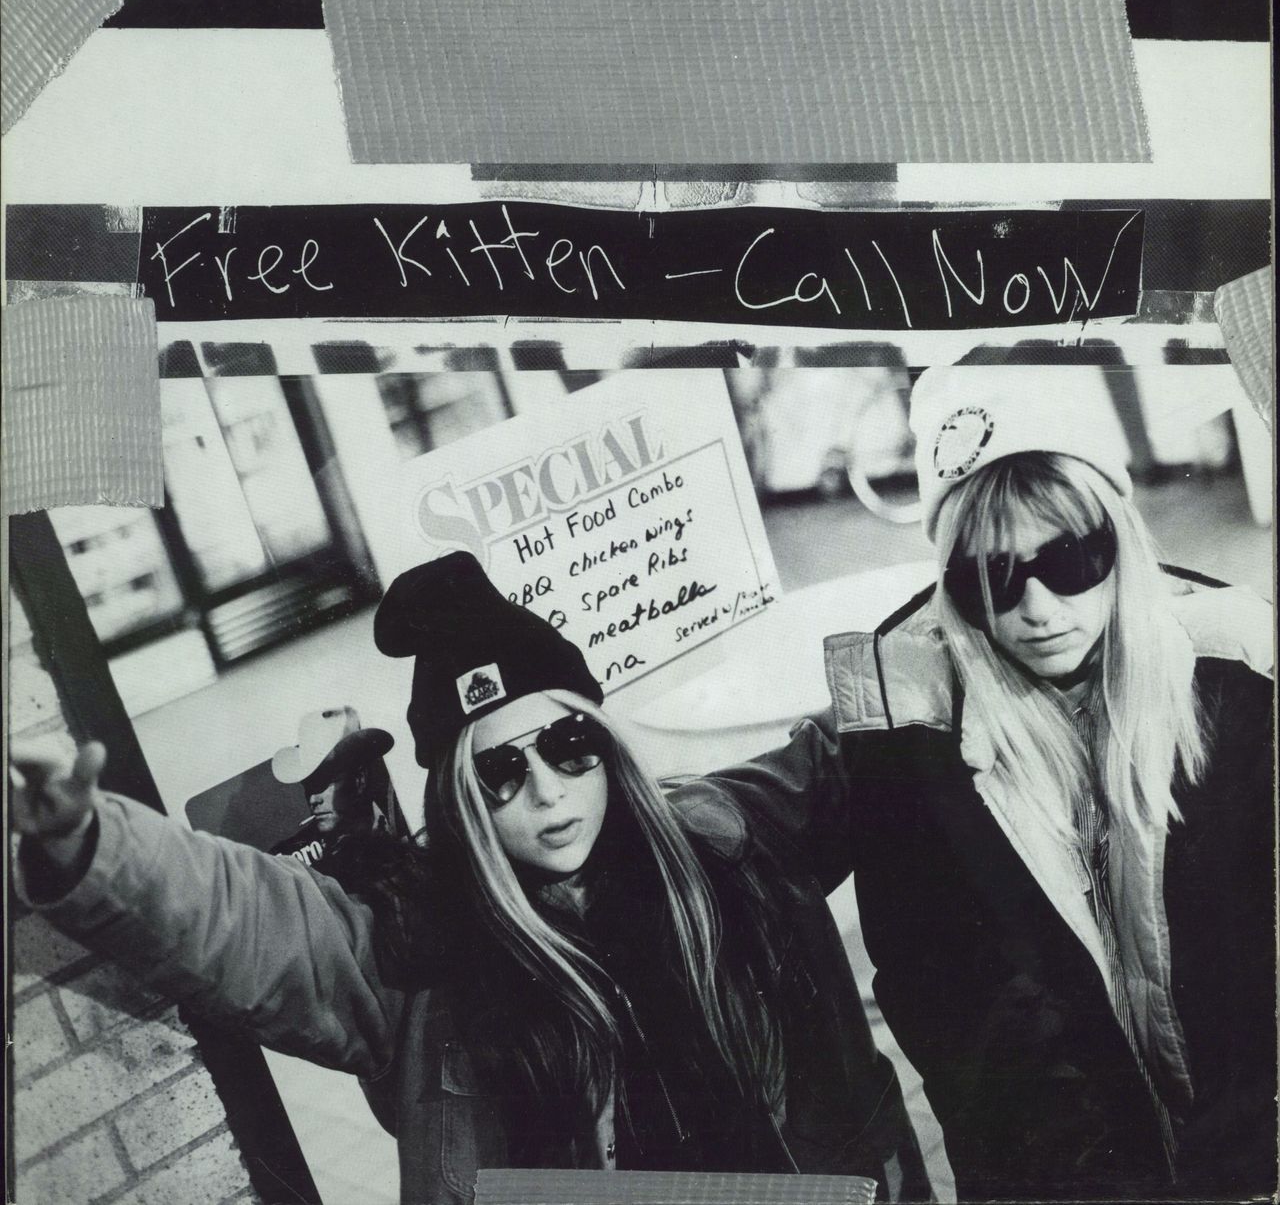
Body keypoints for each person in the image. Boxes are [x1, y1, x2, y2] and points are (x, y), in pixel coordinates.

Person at [11, 553, 929, 1205]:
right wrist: (90, 842)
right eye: (499, 771)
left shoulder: (727, 837)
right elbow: (242, 920)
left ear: (605, 743)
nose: (548, 791)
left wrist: (962, 586)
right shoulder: (418, 955)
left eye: (569, 745)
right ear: (458, 798)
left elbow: (855, 745)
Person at [709, 367, 1275, 1200]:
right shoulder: (902, 713)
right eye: (992, 579)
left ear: (1121, 540)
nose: (1037, 607)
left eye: (1070, 560)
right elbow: (770, 807)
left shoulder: (1244, 667)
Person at [269, 706, 396, 873]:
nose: (313, 799)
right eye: (308, 785)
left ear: (360, 780)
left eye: (324, 784)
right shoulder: (290, 857)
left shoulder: (393, 828)